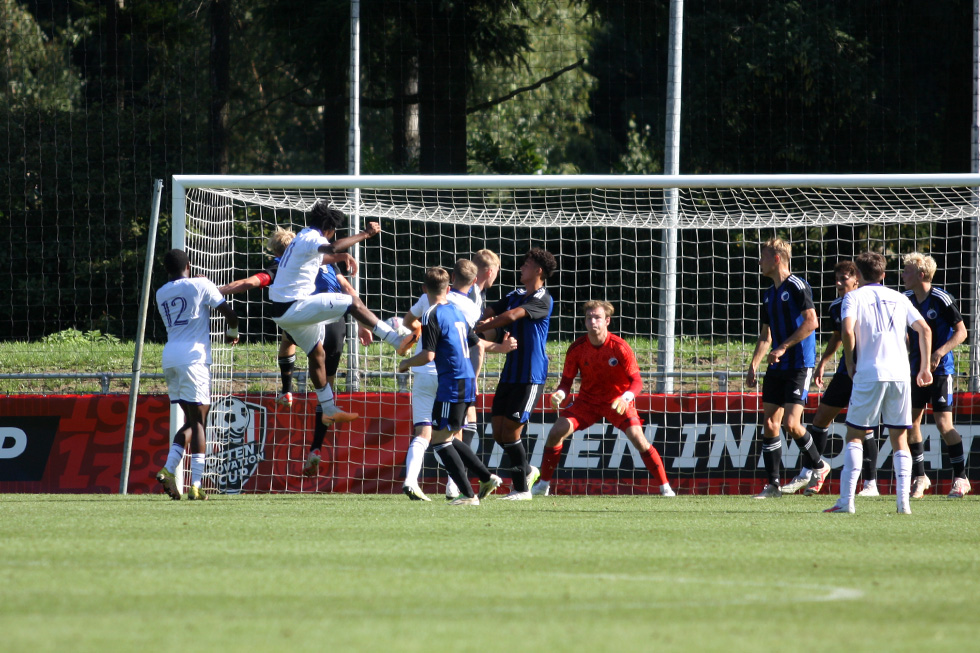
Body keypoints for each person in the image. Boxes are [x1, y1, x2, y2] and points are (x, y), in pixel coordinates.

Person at [268, 200, 404, 425]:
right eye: (331, 234)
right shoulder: (314, 237)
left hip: (283, 312)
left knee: (317, 354)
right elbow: (331, 248)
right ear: (328, 230)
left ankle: (329, 408)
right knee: (352, 301)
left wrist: (342, 257)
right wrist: (366, 234)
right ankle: (396, 340)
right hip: (294, 307)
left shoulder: (302, 236)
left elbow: (322, 256)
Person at [531, 300, 675, 497]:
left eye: (597, 317)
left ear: (607, 321)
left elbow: (637, 382)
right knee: (556, 432)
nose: (593, 322)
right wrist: (561, 393)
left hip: (617, 402)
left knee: (638, 439)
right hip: (587, 402)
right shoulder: (577, 348)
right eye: (589, 318)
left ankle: (665, 488)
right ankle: (543, 485)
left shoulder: (620, 347)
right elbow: (566, 381)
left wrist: (625, 398)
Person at [824, 252, 932, 514]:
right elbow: (925, 330)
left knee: (855, 435)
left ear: (858, 275)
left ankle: (846, 501)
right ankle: (903, 504)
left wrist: (850, 362)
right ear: (883, 274)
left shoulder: (852, 297)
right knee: (899, 438)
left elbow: (848, 330)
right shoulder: (899, 297)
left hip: (869, 372)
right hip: (899, 374)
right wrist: (925, 367)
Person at [400, 259, 514, 501]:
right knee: (448, 436)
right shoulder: (458, 311)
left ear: (424, 289)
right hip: (465, 380)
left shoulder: (431, 314)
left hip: (449, 382)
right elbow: (475, 342)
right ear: (448, 288)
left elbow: (428, 355)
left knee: (439, 441)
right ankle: (485, 477)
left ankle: (468, 493)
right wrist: (501, 348)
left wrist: (406, 363)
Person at [155, 249, 240, 501]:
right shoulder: (202, 284)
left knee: (192, 421)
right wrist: (233, 332)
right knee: (200, 421)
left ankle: (168, 469)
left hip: (170, 357)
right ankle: (196, 485)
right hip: (194, 359)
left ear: (166, 269)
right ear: (189, 265)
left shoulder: (161, 292)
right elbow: (230, 315)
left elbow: (185, 290)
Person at [474, 247, 557, 500]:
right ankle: (529, 470)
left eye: (526, 264)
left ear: (538, 271)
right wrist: (476, 320)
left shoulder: (542, 298)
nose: (521, 267)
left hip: (530, 376)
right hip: (510, 373)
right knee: (498, 431)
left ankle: (522, 489)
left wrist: (480, 326)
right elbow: (492, 310)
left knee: (511, 432)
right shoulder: (515, 293)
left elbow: (509, 316)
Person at [746, 237, 824, 499]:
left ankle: (819, 465)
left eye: (763, 256)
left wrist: (783, 347)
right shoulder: (769, 295)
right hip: (777, 366)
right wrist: (754, 363)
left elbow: (812, 322)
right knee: (770, 423)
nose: (759, 261)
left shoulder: (798, 286)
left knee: (792, 423)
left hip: (799, 364)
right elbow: (766, 335)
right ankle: (773, 485)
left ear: (776, 258)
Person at [801, 261, 880, 496]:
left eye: (844, 278)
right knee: (821, 417)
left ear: (857, 279)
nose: (838, 282)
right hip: (846, 372)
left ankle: (870, 484)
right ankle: (812, 472)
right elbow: (837, 336)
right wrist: (824, 362)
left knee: (863, 428)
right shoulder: (836, 306)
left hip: (865, 372)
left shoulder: (869, 302)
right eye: (836, 278)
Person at [901, 253, 971, 498]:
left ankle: (961, 478)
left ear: (921, 274)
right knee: (911, 422)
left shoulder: (941, 298)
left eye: (907, 271)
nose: (903, 275)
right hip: (913, 370)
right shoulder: (905, 299)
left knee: (943, 424)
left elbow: (961, 332)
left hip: (940, 372)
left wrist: (939, 352)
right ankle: (920, 477)